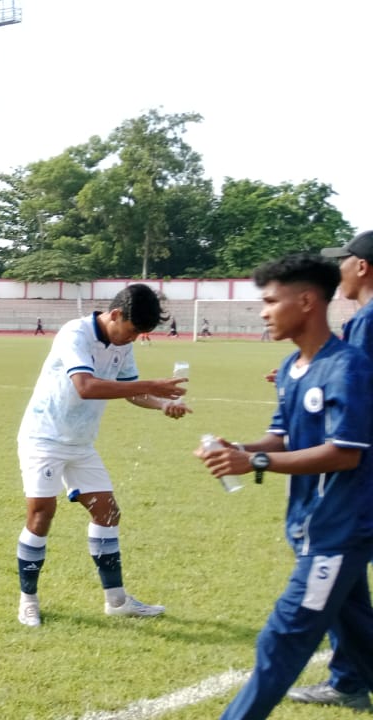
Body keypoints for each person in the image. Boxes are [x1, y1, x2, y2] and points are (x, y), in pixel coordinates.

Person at [195, 253, 373, 718]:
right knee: (359, 634)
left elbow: (346, 451)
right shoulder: (294, 366)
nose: (263, 311)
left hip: (337, 534)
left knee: (283, 638)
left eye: (272, 300)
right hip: (309, 527)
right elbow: (284, 434)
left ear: (308, 301)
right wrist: (238, 447)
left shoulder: (348, 367)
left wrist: (253, 460)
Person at [13, 283, 188, 627]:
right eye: (134, 330)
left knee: (107, 513)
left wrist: (164, 404)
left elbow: (132, 392)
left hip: (80, 444)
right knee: (41, 515)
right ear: (117, 314)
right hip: (44, 436)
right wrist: (150, 386)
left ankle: (117, 601)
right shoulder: (74, 333)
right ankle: (28, 601)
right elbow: (87, 386)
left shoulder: (122, 344)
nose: (134, 338)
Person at [283, 233, 373, 710]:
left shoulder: (366, 324)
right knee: (349, 585)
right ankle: (350, 678)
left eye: (345, 262)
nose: (339, 270)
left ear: (362, 267)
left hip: (354, 475)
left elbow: (355, 396)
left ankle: (349, 679)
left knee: (331, 568)